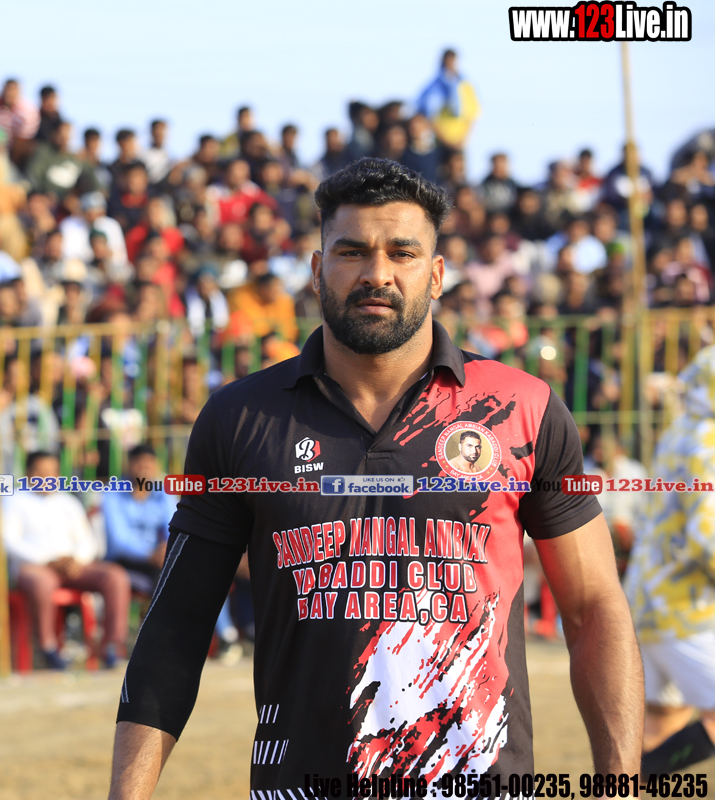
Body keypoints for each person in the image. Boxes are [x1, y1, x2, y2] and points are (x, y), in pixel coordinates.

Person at [110, 158, 641, 797]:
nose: (377, 273)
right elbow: (178, 623)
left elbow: (593, 608)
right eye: (352, 251)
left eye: (402, 253)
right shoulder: (239, 418)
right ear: (317, 270)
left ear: (436, 274)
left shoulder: (522, 408)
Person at [624, 345, 715, 775]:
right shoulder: (708, 440)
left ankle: (631, 783)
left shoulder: (681, 430)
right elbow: (706, 535)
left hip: (649, 596)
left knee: (662, 721)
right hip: (687, 608)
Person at [2, 450, 130, 670]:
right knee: (42, 583)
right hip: (35, 567)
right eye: (41, 472)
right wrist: (47, 560)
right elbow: (9, 541)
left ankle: (112, 646)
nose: (47, 477)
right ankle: (49, 648)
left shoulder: (68, 501)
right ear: (28, 473)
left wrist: (76, 560)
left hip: (73, 566)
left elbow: (88, 540)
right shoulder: (13, 500)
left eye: (52, 472)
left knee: (115, 577)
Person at [101, 444, 177, 595]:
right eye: (139, 463)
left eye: (149, 463)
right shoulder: (113, 493)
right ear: (128, 465)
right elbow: (119, 541)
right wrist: (150, 554)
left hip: (157, 560)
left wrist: (166, 550)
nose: (144, 468)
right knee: (166, 582)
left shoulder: (164, 492)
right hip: (124, 562)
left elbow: (174, 528)